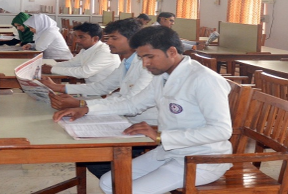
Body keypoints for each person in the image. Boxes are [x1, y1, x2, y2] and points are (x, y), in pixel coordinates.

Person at [53, 26, 232, 193]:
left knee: (126, 189)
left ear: (172, 52)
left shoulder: (204, 79)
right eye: (141, 58)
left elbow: (221, 130)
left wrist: (161, 136)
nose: (145, 64)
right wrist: (87, 109)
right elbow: (133, 104)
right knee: (108, 182)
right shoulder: (162, 75)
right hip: (171, 151)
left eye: (150, 57)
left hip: (202, 159)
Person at [41, 19, 155, 122]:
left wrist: (82, 105)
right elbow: (102, 87)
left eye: (114, 38)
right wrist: (60, 88)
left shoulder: (148, 66)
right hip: (123, 116)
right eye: (108, 38)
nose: (108, 42)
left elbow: (131, 103)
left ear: (133, 40)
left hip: (142, 122)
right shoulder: (126, 62)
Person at [41, 22, 120, 84]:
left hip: (102, 95)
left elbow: (84, 72)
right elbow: (72, 63)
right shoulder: (86, 49)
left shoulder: (105, 52)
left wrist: (52, 69)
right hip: (90, 88)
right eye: (76, 36)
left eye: (81, 37)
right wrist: (52, 66)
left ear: (95, 39)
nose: (76, 40)